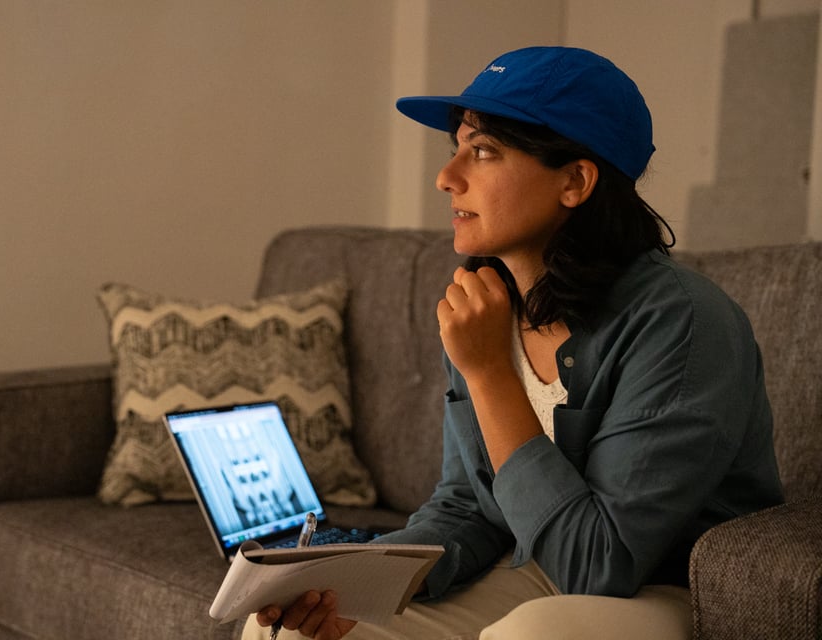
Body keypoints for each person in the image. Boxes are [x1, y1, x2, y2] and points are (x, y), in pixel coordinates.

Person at [242, 46, 784, 640]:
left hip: (676, 595)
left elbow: (599, 564)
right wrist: (346, 576)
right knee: (298, 631)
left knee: (533, 634)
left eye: (483, 152)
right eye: (455, 150)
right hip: (535, 574)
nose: (446, 177)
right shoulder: (488, 304)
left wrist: (488, 373)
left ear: (575, 181)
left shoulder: (683, 322)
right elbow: (466, 507)